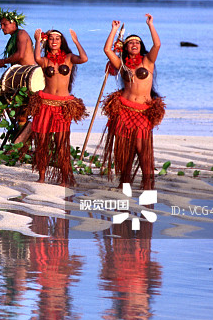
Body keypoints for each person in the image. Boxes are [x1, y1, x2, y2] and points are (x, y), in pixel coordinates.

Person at [101, 14, 164, 190]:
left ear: (141, 46)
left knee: (142, 148)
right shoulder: (122, 65)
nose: (134, 44)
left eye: (137, 42)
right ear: (125, 47)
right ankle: (124, 183)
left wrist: (150, 25)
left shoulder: (147, 61)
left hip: (143, 111)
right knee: (125, 148)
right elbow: (107, 50)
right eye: (130, 43)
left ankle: (147, 184)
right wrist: (114, 30)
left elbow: (157, 45)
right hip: (124, 109)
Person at [26, 28, 88, 186]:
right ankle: (41, 176)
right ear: (48, 42)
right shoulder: (45, 60)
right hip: (45, 104)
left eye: (57, 38)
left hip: (62, 106)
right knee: (42, 142)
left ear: (61, 42)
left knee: (61, 144)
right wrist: (38, 40)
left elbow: (84, 58)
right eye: (51, 38)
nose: (54, 41)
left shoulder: (68, 58)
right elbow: (36, 58)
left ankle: (65, 178)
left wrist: (76, 41)